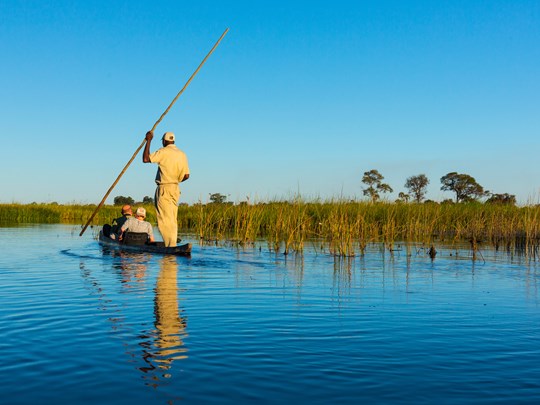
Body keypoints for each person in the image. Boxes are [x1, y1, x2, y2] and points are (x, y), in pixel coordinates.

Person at [143, 131, 190, 247]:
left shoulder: (163, 151)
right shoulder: (182, 154)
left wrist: (148, 140)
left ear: (164, 141)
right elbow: (186, 175)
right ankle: (171, 243)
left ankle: (170, 246)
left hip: (164, 187)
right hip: (175, 188)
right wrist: (175, 180)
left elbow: (145, 159)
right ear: (173, 141)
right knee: (172, 219)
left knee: (164, 220)